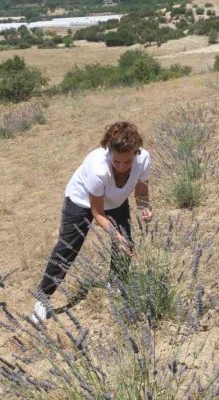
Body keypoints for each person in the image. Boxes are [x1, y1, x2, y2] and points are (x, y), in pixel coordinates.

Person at [32, 121, 153, 323]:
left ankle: (116, 286)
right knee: (68, 247)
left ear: (136, 153)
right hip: (81, 201)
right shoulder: (98, 169)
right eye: (117, 162)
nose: (122, 168)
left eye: (127, 162)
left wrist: (144, 208)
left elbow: (141, 190)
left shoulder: (144, 160)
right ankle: (43, 299)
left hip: (116, 200)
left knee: (126, 245)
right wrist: (116, 236)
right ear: (109, 152)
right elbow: (98, 213)